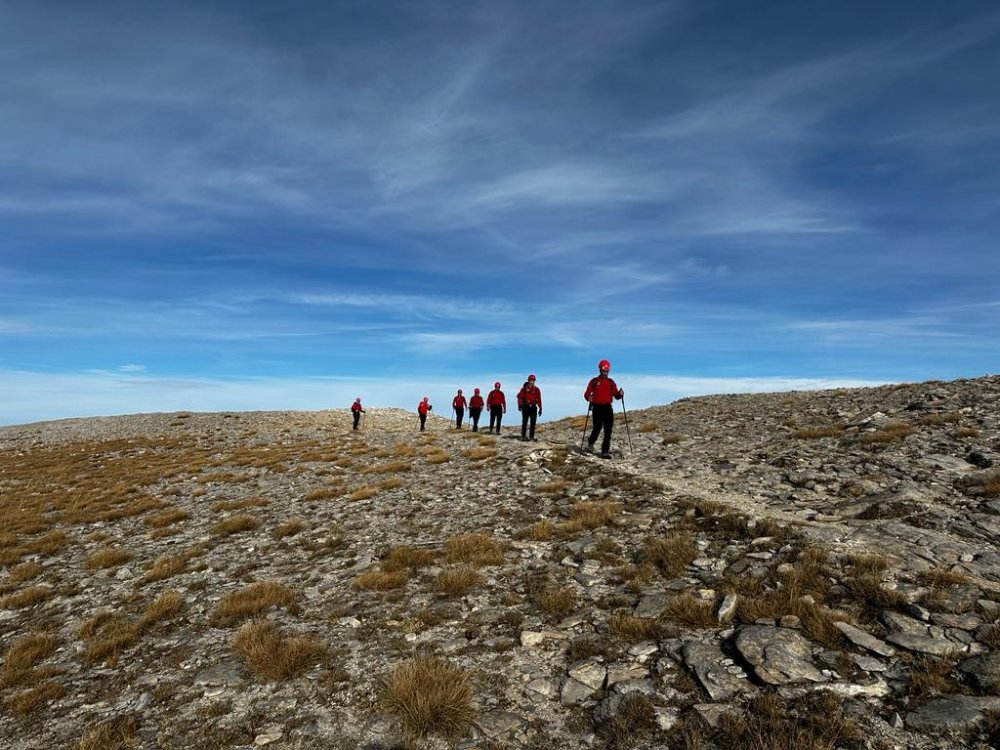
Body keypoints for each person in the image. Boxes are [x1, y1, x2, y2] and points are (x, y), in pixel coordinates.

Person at [584, 359, 623, 458]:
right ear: (600, 370)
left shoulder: (611, 382)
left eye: (606, 370)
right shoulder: (594, 381)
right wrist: (589, 397)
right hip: (597, 407)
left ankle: (605, 451)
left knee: (608, 430)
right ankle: (590, 443)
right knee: (597, 428)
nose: (605, 372)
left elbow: (616, 395)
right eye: (603, 370)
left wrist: (620, 394)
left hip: (607, 407)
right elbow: (586, 394)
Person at [517, 374, 542, 441]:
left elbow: (539, 399)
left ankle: (531, 437)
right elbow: (520, 397)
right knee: (525, 422)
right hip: (525, 407)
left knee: (533, 423)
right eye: (531, 380)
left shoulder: (537, 389)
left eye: (533, 380)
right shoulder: (524, 389)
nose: (532, 381)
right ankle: (523, 436)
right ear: (528, 380)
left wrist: (540, 408)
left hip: (533, 407)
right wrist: (519, 405)